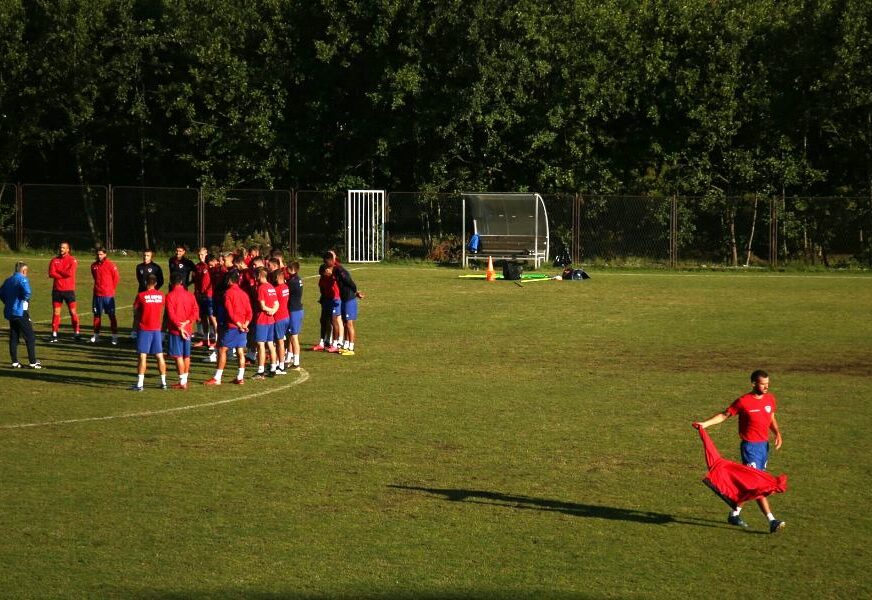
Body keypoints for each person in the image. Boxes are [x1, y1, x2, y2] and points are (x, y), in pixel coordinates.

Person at [694, 370, 785, 533]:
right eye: (763, 384)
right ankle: (771, 520)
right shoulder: (744, 401)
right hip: (750, 448)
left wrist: (777, 432)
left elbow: (770, 416)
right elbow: (724, 415)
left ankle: (735, 513)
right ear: (753, 384)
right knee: (758, 484)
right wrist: (705, 424)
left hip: (764, 446)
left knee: (752, 484)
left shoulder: (770, 399)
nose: (766, 387)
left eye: (768, 384)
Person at [204, 270, 251, 386]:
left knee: (222, 350)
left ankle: (217, 378)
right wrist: (246, 324)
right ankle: (240, 377)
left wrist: (239, 324)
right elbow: (249, 311)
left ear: (229, 280)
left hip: (231, 327)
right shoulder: (244, 294)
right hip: (242, 327)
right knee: (240, 351)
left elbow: (230, 312)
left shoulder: (228, 293)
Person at [1, 261, 41, 369]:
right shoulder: (22, 279)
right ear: (23, 270)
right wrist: (24, 300)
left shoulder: (8, 280)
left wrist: (8, 302)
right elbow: (27, 292)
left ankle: (14, 362)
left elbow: (1, 293)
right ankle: (33, 362)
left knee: (14, 336)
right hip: (20, 312)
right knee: (30, 337)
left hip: (10, 312)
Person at [130, 274, 167, 391]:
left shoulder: (141, 296)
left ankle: (140, 384)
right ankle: (164, 382)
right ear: (156, 283)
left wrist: (134, 329)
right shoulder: (161, 296)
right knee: (159, 356)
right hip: (156, 329)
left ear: (146, 283)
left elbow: (135, 312)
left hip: (144, 329)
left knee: (142, 356)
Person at [325, 252, 365, 356]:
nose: (326, 266)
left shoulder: (339, 270)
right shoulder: (335, 270)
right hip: (344, 299)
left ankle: (351, 348)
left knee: (349, 323)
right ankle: (346, 345)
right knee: (345, 322)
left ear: (330, 261)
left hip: (349, 299)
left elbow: (349, 281)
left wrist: (356, 292)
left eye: (326, 263)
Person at [165, 272, 199, 389]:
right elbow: (195, 311)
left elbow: (171, 314)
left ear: (171, 282)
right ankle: (185, 380)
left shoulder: (169, 296)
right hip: (188, 330)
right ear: (181, 282)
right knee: (186, 355)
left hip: (176, 330)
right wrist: (188, 322)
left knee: (178, 356)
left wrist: (179, 327)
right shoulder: (190, 295)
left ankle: (182, 382)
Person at [48, 241, 81, 341]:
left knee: (73, 312)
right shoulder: (54, 260)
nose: (61, 249)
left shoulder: (72, 260)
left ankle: (77, 333)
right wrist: (62, 274)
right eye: (60, 247)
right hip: (57, 290)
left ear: (68, 249)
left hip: (69, 291)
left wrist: (58, 271)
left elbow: (70, 273)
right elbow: (51, 273)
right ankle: (54, 334)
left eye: (63, 248)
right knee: (56, 313)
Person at [89, 245, 120, 345]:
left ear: (105, 254)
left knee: (111, 316)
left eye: (101, 254)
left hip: (108, 295)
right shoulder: (93, 266)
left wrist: (110, 289)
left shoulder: (111, 265)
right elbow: (95, 277)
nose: (99, 256)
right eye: (98, 254)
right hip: (97, 295)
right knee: (97, 315)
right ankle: (96, 335)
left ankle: (114, 337)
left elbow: (116, 278)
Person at [252, 267, 278, 380]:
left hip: (262, 320)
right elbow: (277, 303)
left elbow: (262, 306)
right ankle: (273, 368)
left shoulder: (261, 288)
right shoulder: (271, 287)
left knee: (261, 345)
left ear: (259, 276)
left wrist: (267, 310)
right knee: (271, 344)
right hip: (271, 320)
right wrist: (272, 311)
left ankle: (261, 371)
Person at [132, 249, 164, 339]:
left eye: (147, 255)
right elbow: (139, 279)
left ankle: (150, 332)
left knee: (149, 314)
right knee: (137, 312)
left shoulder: (156, 267)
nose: (145, 257)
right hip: (141, 293)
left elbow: (161, 281)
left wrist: (153, 290)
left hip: (151, 295)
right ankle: (134, 332)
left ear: (151, 256)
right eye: (144, 255)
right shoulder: (139, 267)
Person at [314, 262, 343, 353]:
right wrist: (322, 298)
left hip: (335, 300)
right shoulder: (322, 278)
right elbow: (322, 289)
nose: (322, 276)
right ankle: (322, 343)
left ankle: (335, 344)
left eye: (323, 274)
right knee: (323, 320)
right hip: (326, 300)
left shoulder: (334, 277)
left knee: (334, 321)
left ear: (327, 271)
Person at [193, 248, 217, 349]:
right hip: (200, 295)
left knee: (212, 318)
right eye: (199, 254)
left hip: (209, 295)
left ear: (206, 254)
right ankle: (205, 339)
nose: (200, 256)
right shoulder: (197, 266)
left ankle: (216, 340)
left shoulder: (210, 266)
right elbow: (196, 281)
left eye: (202, 254)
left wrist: (207, 292)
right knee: (203, 318)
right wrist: (197, 293)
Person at [271, 267, 290, 374]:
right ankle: (279, 362)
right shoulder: (286, 287)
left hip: (279, 317)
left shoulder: (276, 289)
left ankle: (281, 365)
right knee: (280, 341)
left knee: (279, 342)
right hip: (286, 316)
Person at [286, 261, 303, 369]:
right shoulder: (298, 279)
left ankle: (296, 361)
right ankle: (290, 356)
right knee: (291, 334)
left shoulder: (292, 282)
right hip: (298, 309)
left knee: (294, 336)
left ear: (292, 269)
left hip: (294, 310)